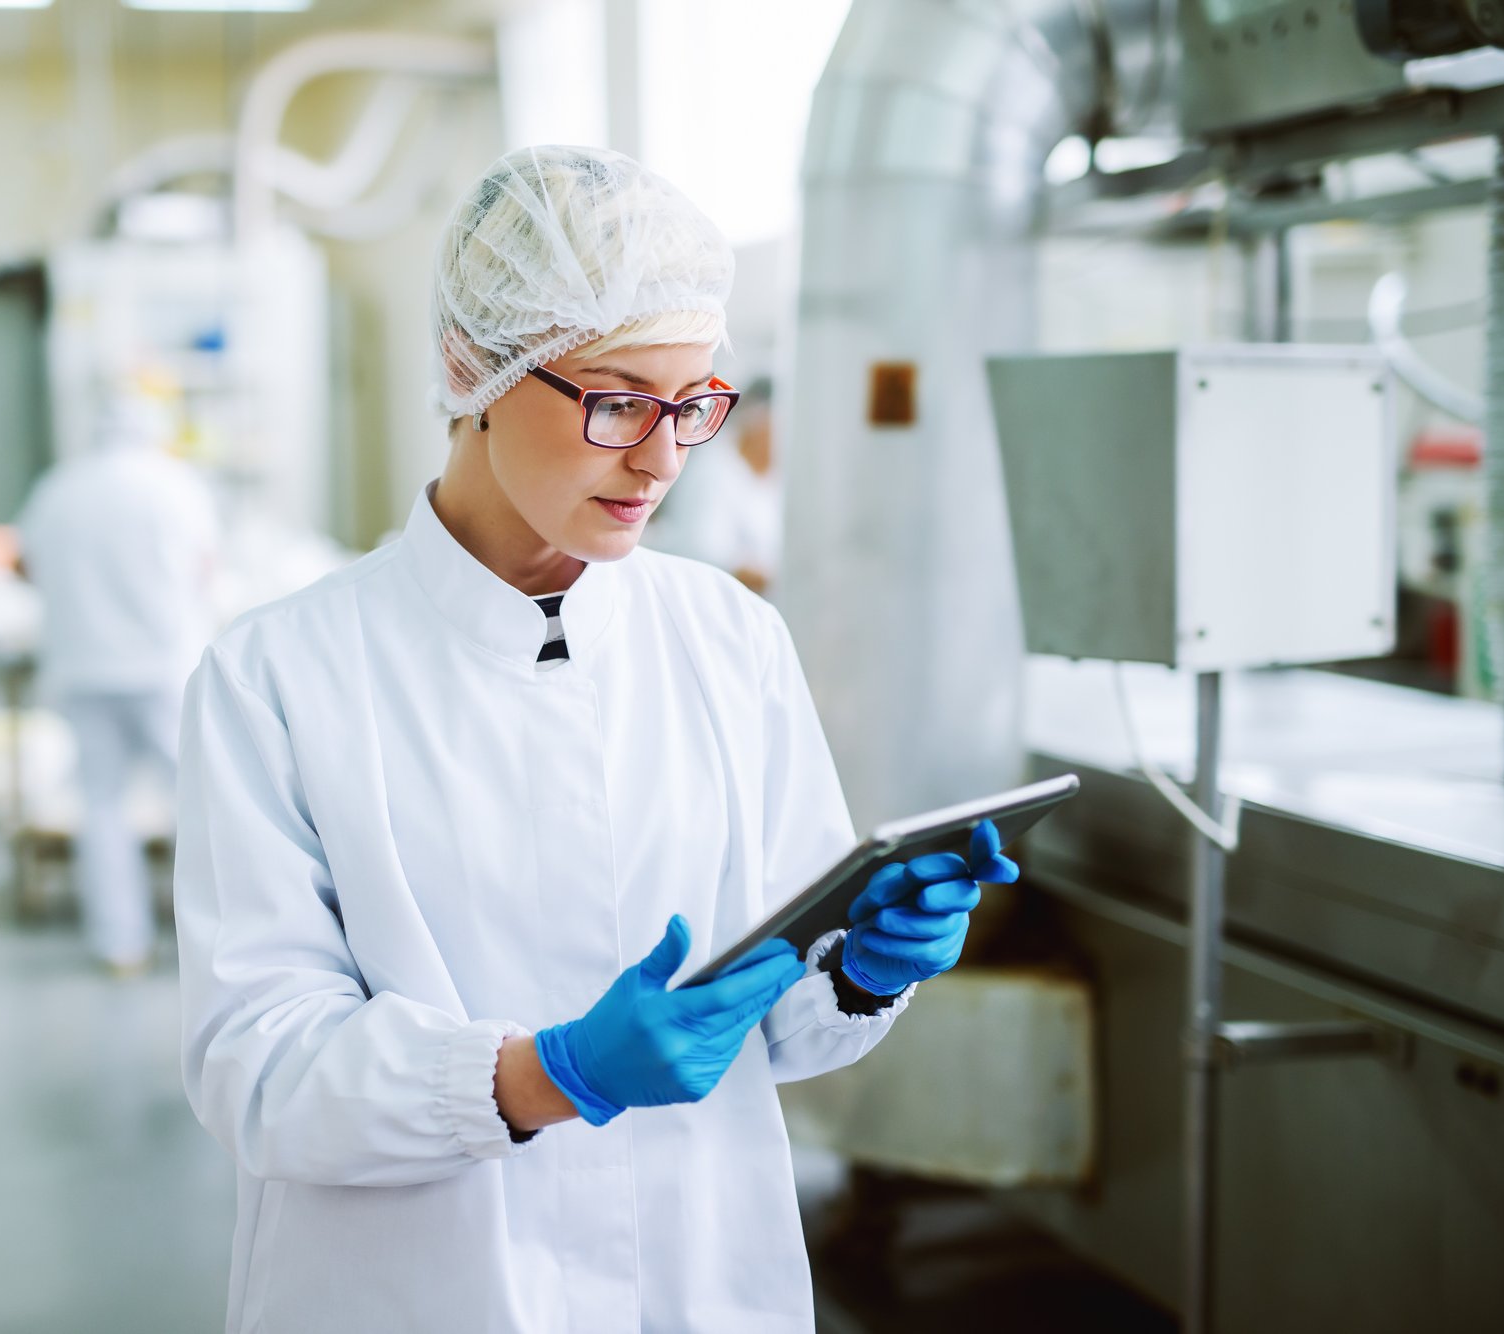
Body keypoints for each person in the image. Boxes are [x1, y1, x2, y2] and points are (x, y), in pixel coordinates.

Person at [174, 146, 1019, 1333]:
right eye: (618, 400)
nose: (662, 455)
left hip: (699, 1278)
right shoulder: (279, 676)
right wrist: (539, 1076)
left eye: (694, 405)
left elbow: (776, 1028)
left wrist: (859, 964)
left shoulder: (727, 637)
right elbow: (255, 1070)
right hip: (417, 1292)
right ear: (474, 367)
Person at [16, 388, 220, 974]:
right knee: (195, 804)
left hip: (83, 666)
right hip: (161, 668)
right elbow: (205, 568)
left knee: (101, 804)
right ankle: (206, 948)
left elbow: (24, 562)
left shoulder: (58, 488)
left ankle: (120, 945)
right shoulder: (175, 486)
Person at [664, 375, 782, 595]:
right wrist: (781, 577)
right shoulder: (714, 470)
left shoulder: (772, 477)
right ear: (760, 422)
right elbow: (705, 552)